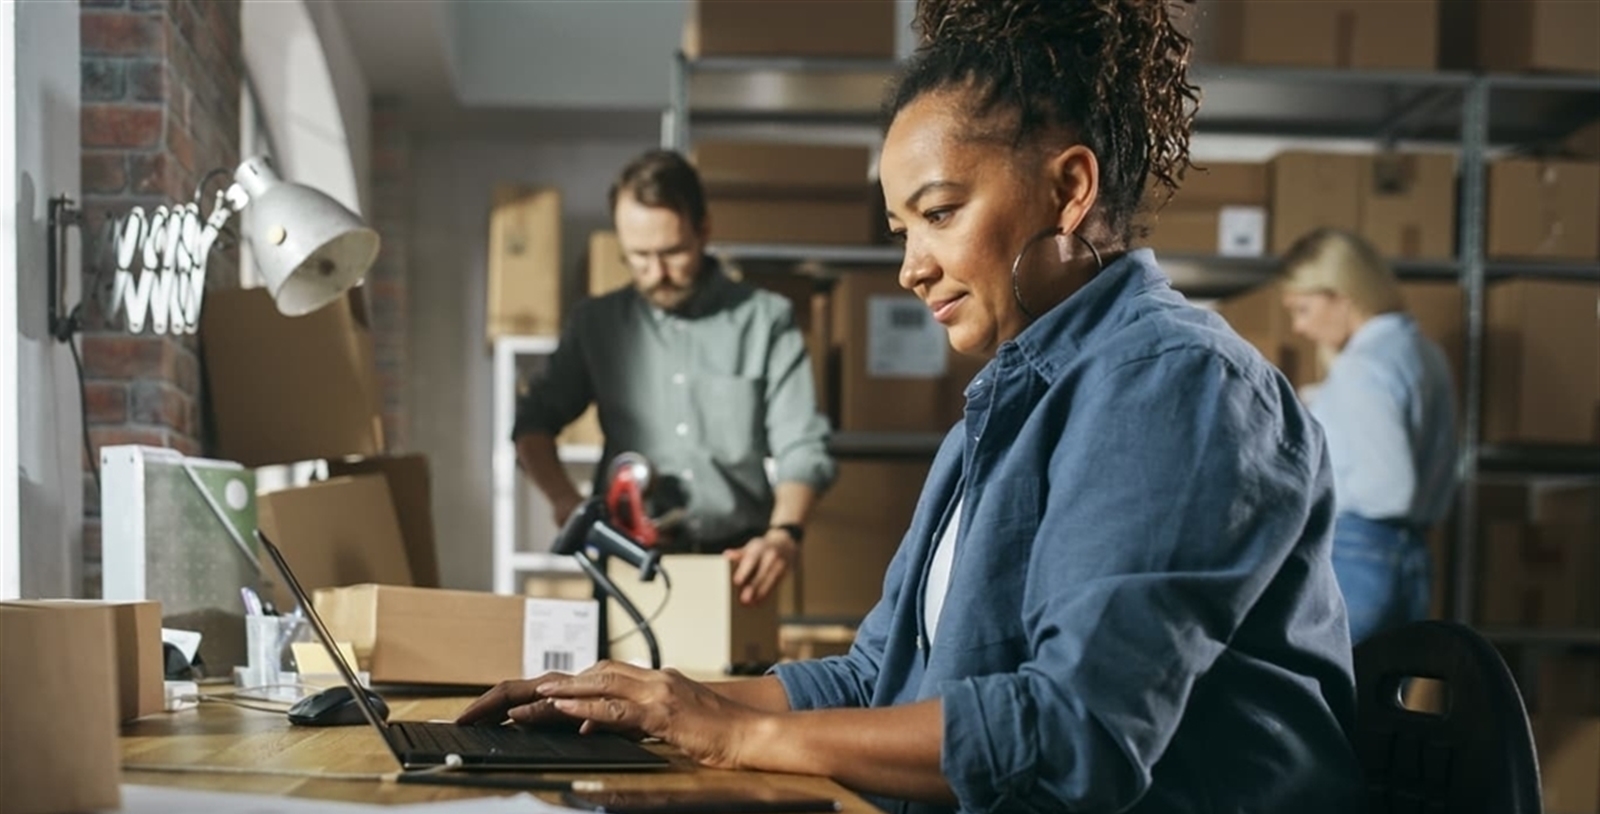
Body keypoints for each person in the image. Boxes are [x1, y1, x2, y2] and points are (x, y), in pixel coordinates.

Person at [464, 1, 1364, 811]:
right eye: (903, 231)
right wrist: (653, 700)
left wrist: (737, 734)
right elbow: (873, 677)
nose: (910, 267)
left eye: (938, 213)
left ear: (1069, 189)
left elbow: (1072, 733)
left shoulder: (1175, 385)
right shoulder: (1013, 396)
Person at [512, 150, 836, 606]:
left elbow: (801, 445)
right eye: (639, 257)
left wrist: (784, 534)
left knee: (724, 682)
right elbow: (531, 423)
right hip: (625, 563)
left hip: (736, 568)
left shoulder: (766, 321)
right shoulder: (597, 324)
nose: (657, 273)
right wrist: (565, 501)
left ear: (703, 229)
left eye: (672, 253)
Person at [1280, 228, 1458, 644]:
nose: (1298, 327)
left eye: (1302, 309)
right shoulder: (1423, 353)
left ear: (1342, 295)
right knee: (1383, 701)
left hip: (1359, 553)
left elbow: (1390, 489)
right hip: (1410, 557)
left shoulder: (1362, 368)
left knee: (1327, 701)